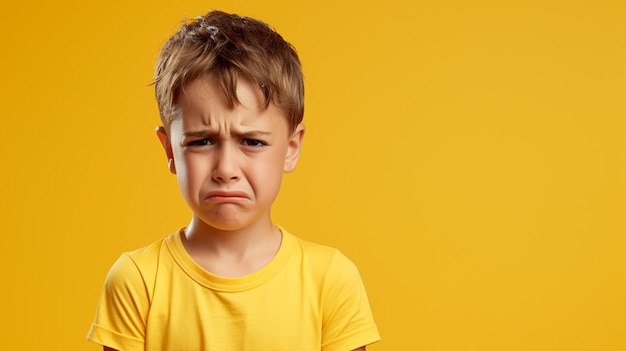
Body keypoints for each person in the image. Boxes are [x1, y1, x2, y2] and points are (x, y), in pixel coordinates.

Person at [87, 10, 380, 351]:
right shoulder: (137, 281)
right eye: (201, 141)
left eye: (252, 142)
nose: (226, 169)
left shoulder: (331, 280)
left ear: (291, 147)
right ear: (169, 149)